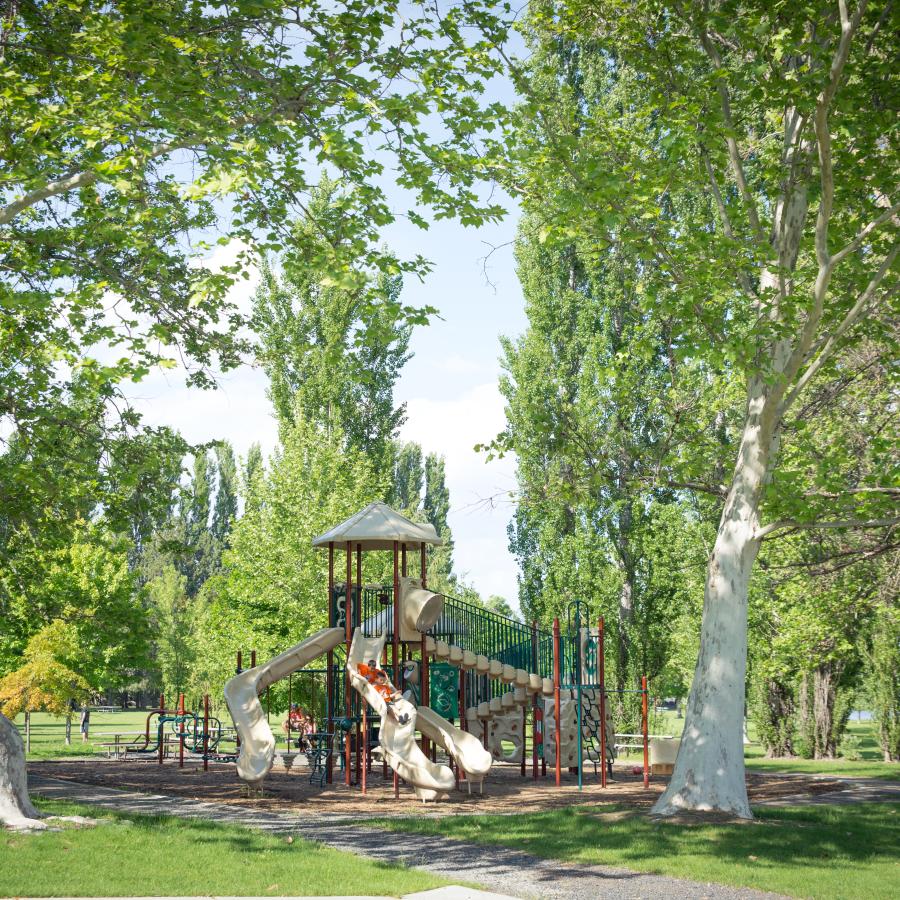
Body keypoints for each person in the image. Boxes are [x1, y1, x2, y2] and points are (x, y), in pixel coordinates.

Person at [357, 659, 409, 725]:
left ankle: (401, 718)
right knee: (391, 709)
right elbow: (358, 665)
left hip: (387, 700)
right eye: (371, 668)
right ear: (368, 666)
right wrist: (359, 674)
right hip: (381, 699)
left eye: (374, 668)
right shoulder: (366, 671)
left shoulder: (382, 683)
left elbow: (383, 673)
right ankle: (400, 719)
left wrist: (387, 679)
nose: (373, 669)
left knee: (394, 708)